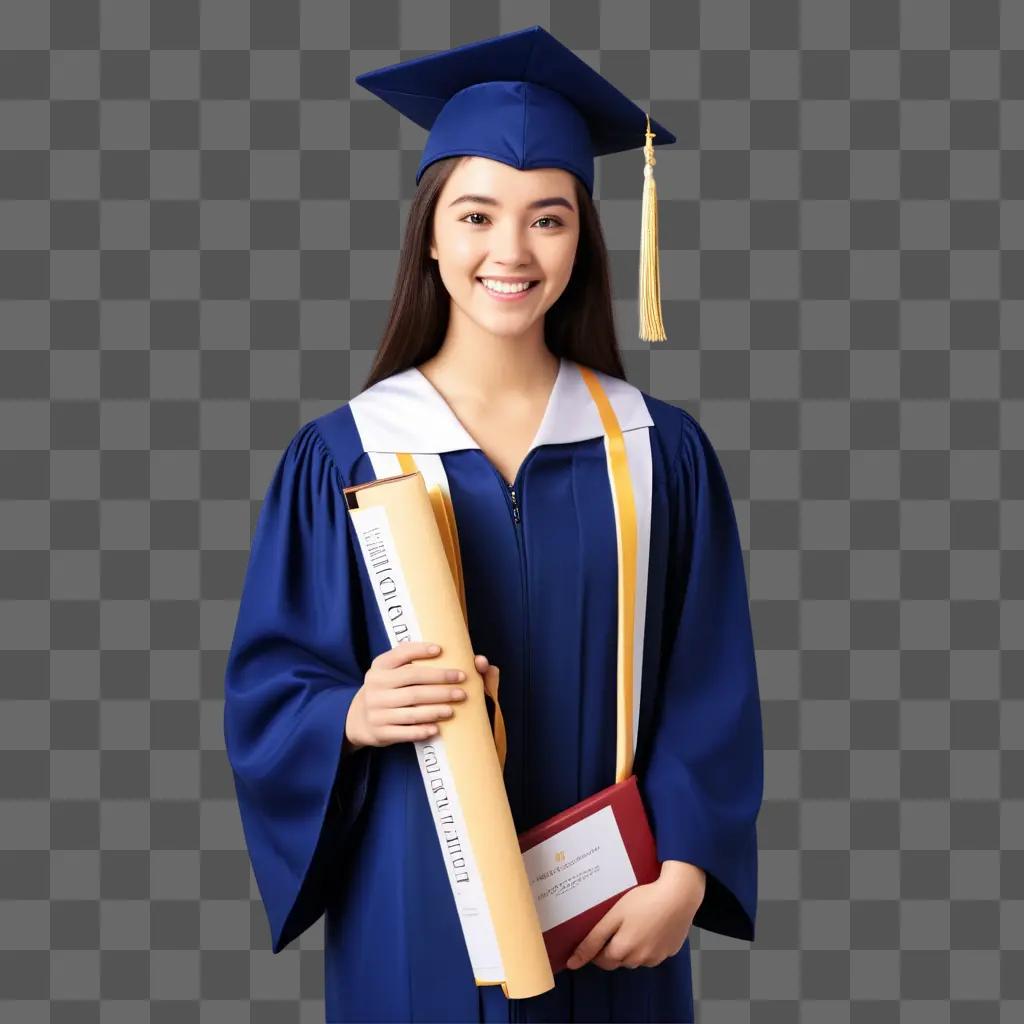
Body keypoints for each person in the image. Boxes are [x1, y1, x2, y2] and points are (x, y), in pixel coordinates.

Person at [223, 25, 764, 1024]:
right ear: (431, 233)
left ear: (583, 239)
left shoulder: (656, 450)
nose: (510, 251)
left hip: (614, 906)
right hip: (414, 903)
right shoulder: (346, 454)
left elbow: (708, 682)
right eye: (476, 215)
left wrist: (685, 871)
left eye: (548, 219)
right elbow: (268, 686)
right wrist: (348, 712)